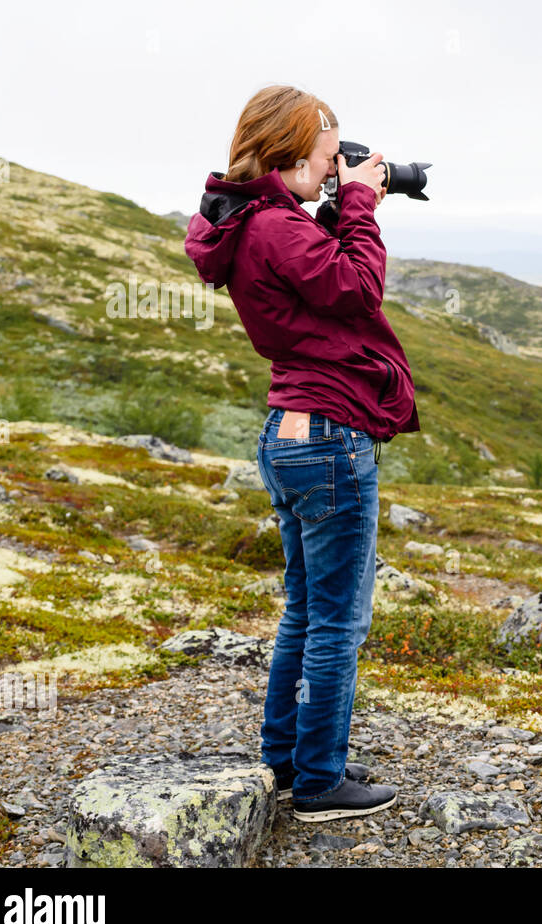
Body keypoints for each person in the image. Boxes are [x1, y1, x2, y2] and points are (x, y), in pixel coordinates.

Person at [184, 85, 420, 822]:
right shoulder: (277, 230)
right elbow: (356, 289)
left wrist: (335, 202)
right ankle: (320, 780)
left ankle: (287, 761)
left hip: (292, 431)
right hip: (327, 435)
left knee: (306, 613)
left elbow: (318, 281)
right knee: (337, 622)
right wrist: (360, 206)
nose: (334, 169)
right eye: (326, 157)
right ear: (291, 149)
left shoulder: (262, 223)